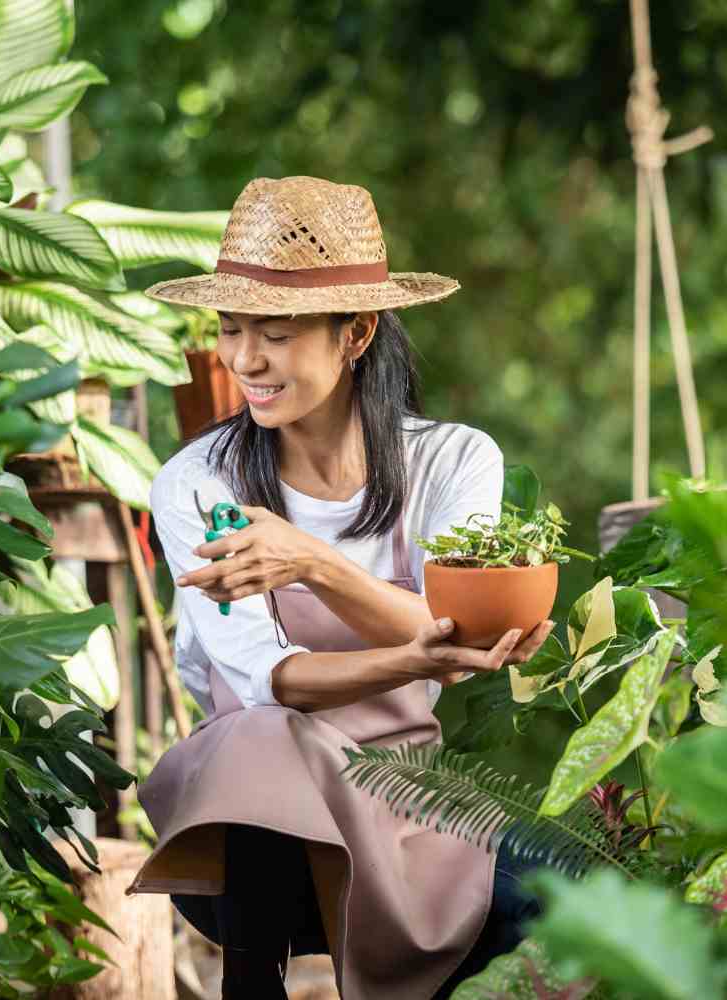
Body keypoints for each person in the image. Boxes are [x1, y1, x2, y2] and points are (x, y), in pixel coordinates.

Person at [124, 175, 553, 1000]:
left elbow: (458, 635)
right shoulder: (198, 483)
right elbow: (272, 680)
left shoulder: (454, 461)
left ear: (355, 333)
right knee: (261, 733)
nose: (244, 360)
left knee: (565, 900)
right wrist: (421, 651)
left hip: (405, 805)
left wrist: (311, 563)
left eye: (276, 335)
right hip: (248, 838)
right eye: (231, 329)